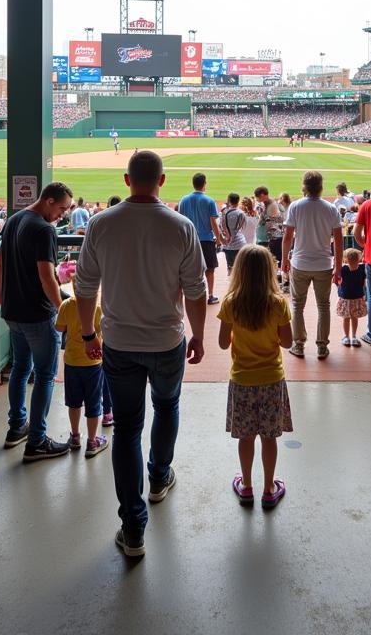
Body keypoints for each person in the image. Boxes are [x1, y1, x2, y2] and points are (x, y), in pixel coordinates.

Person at [74, 151, 207, 558]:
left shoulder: (100, 223)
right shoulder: (181, 226)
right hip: (167, 341)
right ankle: (159, 477)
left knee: (127, 430)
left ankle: (133, 529)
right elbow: (196, 291)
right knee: (166, 408)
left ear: (127, 179)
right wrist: (198, 335)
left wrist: (87, 332)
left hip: (118, 343)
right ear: (162, 181)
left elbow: (83, 288)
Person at [0, 181, 74, 461]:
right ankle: (37, 440)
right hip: (38, 314)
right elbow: (46, 277)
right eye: (62, 208)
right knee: (44, 376)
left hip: (13, 311)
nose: (62, 215)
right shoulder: (43, 229)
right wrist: (62, 309)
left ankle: (17, 427)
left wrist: (0, 297)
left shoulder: (15, 218)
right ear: (49, 201)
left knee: (19, 369)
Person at [217, 245, 292, 509]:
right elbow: (287, 341)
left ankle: (247, 486)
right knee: (269, 437)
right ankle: (269, 488)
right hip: (272, 378)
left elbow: (223, 344)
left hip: (242, 379)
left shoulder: (231, 303)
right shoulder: (278, 303)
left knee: (246, 437)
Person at [281, 170, 343, 360]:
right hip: (324, 264)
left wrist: (284, 259)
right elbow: (338, 241)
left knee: (297, 305)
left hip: (300, 263)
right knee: (323, 306)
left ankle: (298, 345)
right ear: (320, 186)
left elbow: (288, 236)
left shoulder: (296, 206)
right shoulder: (330, 208)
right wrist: (338, 267)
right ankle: (322, 347)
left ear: (304, 186)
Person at [55, 289, 108, 458]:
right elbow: (104, 330)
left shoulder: (66, 305)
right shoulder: (98, 308)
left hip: (71, 361)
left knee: (74, 402)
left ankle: (75, 436)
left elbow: (59, 327)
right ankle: (92, 442)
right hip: (93, 363)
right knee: (93, 403)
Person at [178, 173, 224, 305]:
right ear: (204, 183)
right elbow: (213, 223)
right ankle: (210, 295)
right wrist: (219, 240)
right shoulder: (209, 201)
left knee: (190, 269)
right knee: (210, 269)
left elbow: (181, 221)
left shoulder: (184, 200)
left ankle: (189, 295)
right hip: (206, 240)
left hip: (189, 240)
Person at [336, 246, 367, 347]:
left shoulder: (343, 269)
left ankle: (346, 337)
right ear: (359, 259)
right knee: (354, 318)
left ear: (346, 259)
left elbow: (336, 278)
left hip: (345, 298)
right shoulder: (362, 268)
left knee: (346, 318)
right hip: (357, 298)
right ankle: (354, 336)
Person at [254, 186, 284, 267]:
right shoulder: (268, 203)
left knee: (275, 262)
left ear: (263, 195)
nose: (256, 199)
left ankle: (277, 278)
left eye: (257, 197)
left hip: (274, 238)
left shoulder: (271, 206)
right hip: (273, 238)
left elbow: (270, 224)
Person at [221, 192, 247, 273]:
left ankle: (233, 285)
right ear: (238, 201)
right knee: (241, 269)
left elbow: (222, 228)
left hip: (228, 245)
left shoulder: (224, 213)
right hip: (240, 244)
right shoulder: (241, 213)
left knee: (231, 269)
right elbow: (243, 228)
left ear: (229, 201)